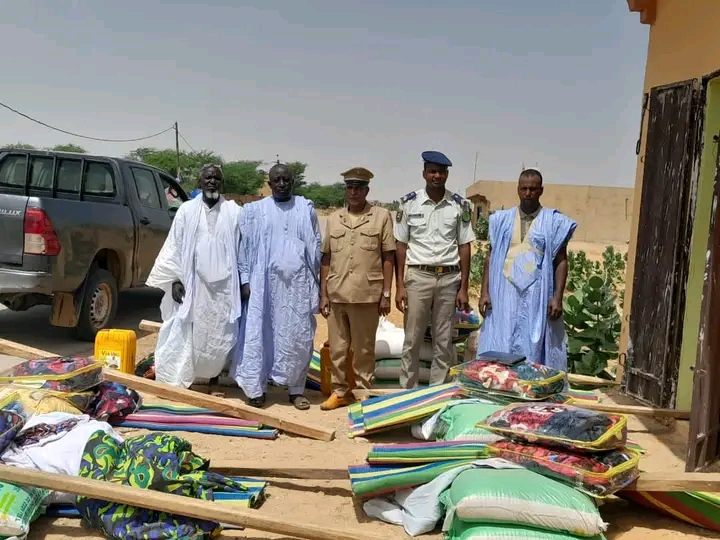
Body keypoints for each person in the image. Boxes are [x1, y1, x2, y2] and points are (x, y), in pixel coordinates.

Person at [231, 163, 321, 410]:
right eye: (277, 180)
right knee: (258, 336)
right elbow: (243, 248)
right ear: (269, 184)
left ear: (293, 182)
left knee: (298, 338)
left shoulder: (305, 209)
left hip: (297, 288)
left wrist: (315, 287)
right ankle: (256, 389)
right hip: (262, 287)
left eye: (286, 180)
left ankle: (296, 390)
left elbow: (316, 248)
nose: (282, 184)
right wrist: (245, 280)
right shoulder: (254, 211)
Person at [146, 164, 242, 390]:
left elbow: (242, 250)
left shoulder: (234, 212)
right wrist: (175, 280)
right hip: (193, 285)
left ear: (222, 183)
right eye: (208, 178)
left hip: (224, 288)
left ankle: (215, 377)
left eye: (216, 178)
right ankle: (186, 375)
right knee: (187, 330)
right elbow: (175, 246)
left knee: (219, 332)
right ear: (200, 181)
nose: (212, 182)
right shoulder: (186, 211)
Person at [477, 168, 577, 371]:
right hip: (503, 293)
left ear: (541, 190)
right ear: (518, 190)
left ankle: (531, 383)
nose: (528, 193)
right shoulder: (501, 220)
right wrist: (484, 292)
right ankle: (500, 382)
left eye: (533, 189)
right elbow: (491, 257)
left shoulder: (554, 222)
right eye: (524, 189)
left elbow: (561, 260)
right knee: (502, 339)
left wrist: (557, 297)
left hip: (537, 295)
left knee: (533, 345)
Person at [394, 151, 476, 388]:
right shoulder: (408, 203)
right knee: (412, 338)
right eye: (432, 172)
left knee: (444, 339)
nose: (436, 176)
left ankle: (436, 391)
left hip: (449, 278)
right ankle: (407, 390)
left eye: (441, 172)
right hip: (418, 276)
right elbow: (401, 245)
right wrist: (400, 286)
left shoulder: (459, 205)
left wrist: (464, 287)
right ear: (424, 174)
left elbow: (464, 246)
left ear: (447, 175)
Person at [319, 167, 395, 410]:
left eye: (359, 188)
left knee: (364, 349)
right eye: (350, 187)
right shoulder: (334, 219)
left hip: (366, 294)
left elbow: (388, 256)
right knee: (337, 348)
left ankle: (363, 392)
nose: (354, 192)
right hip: (337, 292)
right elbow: (326, 258)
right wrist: (323, 294)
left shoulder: (381, 217)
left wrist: (386, 294)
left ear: (367, 191)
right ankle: (340, 391)